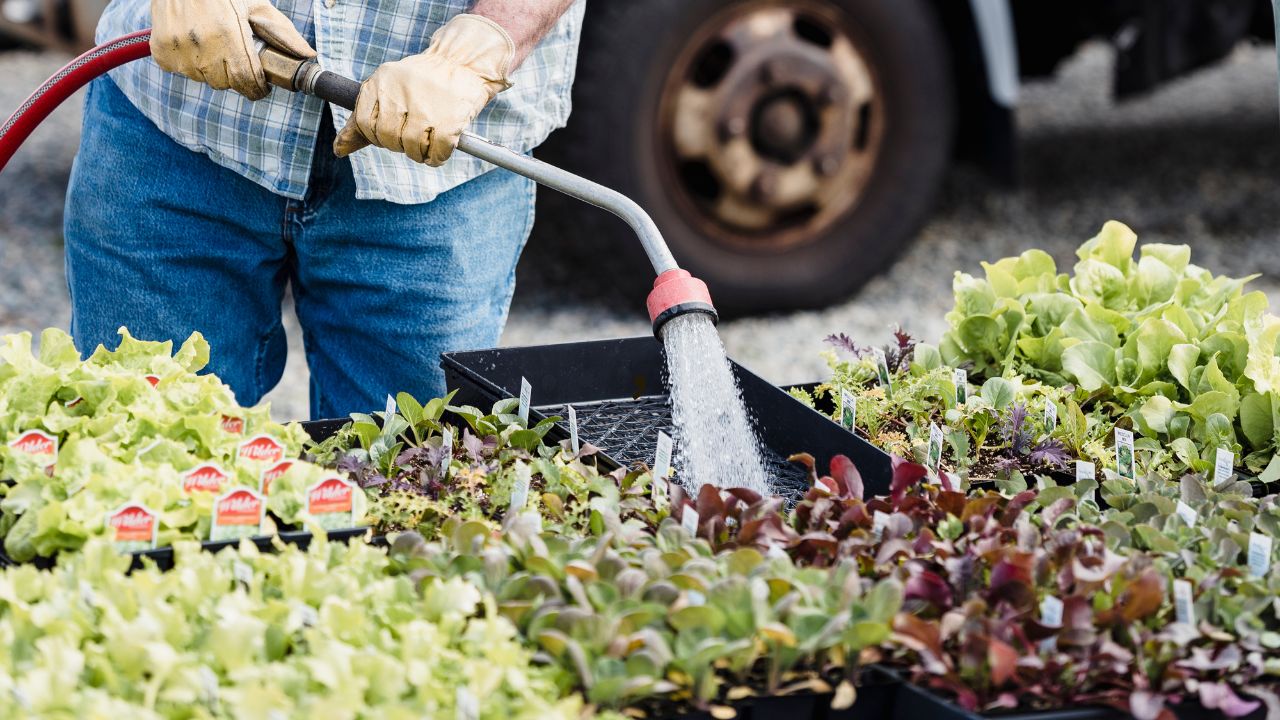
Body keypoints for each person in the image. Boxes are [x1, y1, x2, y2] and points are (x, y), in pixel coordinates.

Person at [64, 0, 584, 418]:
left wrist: (480, 47)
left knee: (405, 492)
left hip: (435, 158)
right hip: (179, 113)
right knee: (141, 453)